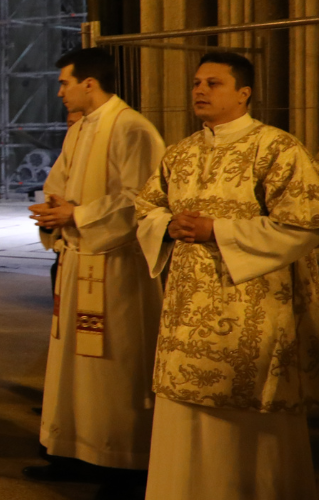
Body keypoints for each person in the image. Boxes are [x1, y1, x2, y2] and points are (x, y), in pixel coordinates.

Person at [134, 52, 319, 500]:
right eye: (197, 83)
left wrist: (217, 229)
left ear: (244, 93)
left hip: (251, 314)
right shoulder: (180, 152)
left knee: (252, 418)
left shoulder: (277, 148)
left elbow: (304, 223)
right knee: (183, 418)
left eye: (213, 83)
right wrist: (166, 225)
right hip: (185, 314)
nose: (199, 91)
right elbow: (145, 208)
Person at [18, 47, 165, 498]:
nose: (59, 91)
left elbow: (139, 198)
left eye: (64, 82)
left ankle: (121, 462)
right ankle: (71, 450)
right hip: (78, 261)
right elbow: (60, 181)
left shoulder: (132, 127)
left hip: (116, 268)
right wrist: (52, 209)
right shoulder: (80, 128)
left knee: (114, 368)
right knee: (72, 368)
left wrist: (77, 216)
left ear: (89, 83)